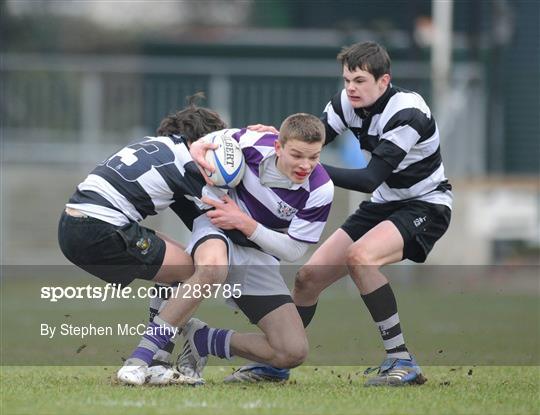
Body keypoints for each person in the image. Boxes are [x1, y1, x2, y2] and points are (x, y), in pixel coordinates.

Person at [223, 41, 453, 386]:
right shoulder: (346, 103)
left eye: (359, 80)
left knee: (360, 257)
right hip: (383, 203)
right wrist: (281, 141)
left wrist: (301, 166)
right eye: (347, 80)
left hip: (426, 205)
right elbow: (311, 139)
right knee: (307, 278)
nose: (350, 88)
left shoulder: (408, 113)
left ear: (384, 81)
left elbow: (368, 178)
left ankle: (402, 360)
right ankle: (278, 362)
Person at [117, 113, 334, 385]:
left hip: (256, 251)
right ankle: (141, 360)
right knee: (212, 268)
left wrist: (246, 224)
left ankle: (203, 339)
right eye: (298, 155)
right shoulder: (252, 141)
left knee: (292, 351)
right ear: (278, 147)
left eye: (314, 157)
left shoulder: (321, 189)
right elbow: (200, 144)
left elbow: (293, 251)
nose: (306, 165)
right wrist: (200, 151)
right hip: (216, 227)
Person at [58, 94, 228, 384]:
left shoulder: (153, 145)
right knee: (192, 273)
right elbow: (216, 212)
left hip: (70, 225)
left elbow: (189, 212)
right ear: (201, 141)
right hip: (101, 229)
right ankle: (152, 361)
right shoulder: (185, 159)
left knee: (176, 264)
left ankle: (158, 361)